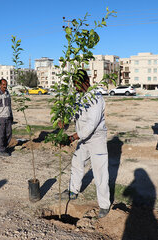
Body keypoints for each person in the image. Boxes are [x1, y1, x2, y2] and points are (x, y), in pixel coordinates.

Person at [59, 69, 110, 218]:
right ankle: (73, 191)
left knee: (100, 172)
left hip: (96, 139)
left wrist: (72, 137)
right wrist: (65, 121)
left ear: (86, 82)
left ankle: (104, 205)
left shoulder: (95, 97)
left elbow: (91, 125)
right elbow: (73, 113)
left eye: (77, 85)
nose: (75, 88)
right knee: (77, 163)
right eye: (74, 85)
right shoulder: (78, 96)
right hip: (82, 138)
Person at [0, 78, 13, 157]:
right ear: (0, 85)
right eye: (3, 85)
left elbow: (9, 106)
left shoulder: (8, 93)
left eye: (6, 85)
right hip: (0, 118)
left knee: (9, 133)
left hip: (8, 117)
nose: (5, 86)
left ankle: (5, 147)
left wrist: (11, 115)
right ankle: (1, 150)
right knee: (0, 135)